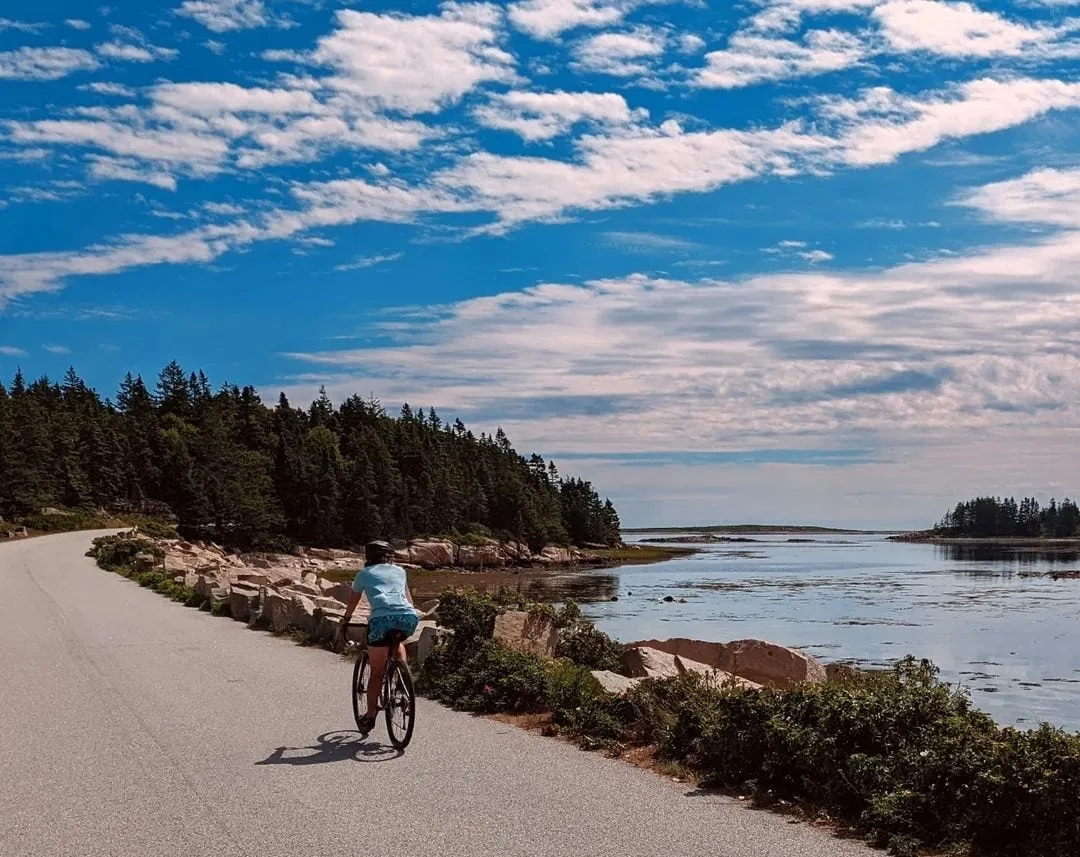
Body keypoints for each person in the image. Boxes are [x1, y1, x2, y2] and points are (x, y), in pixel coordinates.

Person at [338, 540, 419, 734]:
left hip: (381, 620)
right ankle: (402, 678)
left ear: (368, 556)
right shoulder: (400, 571)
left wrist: (346, 619)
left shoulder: (363, 574)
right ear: (389, 555)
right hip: (408, 617)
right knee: (398, 640)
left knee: (376, 672)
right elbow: (408, 599)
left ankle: (370, 716)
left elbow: (353, 599)